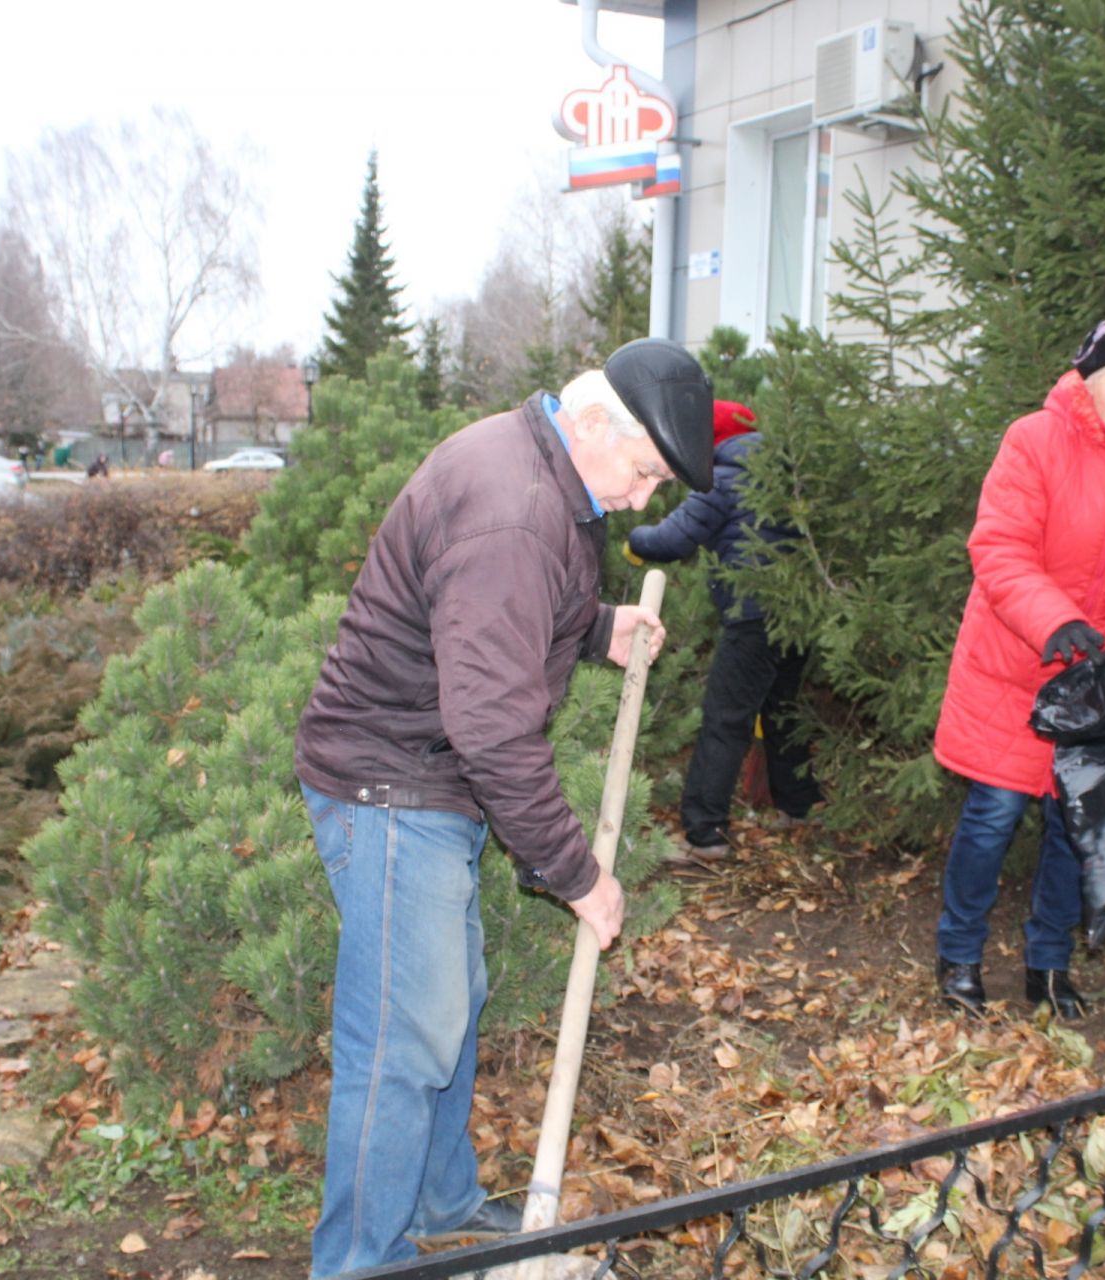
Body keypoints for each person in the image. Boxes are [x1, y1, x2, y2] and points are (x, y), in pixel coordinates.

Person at [292, 338, 713, 1276]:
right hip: (392, 778)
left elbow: (506, 608)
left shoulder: (542, 467)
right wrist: (578, 876)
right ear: (598, 422)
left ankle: (442, 1203)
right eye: (645, 472)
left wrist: (601, 627)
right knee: (406, 1034)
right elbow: (489, 729)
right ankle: (360, 1260)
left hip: (424, 771)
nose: (644, 499)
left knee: (450, 1004)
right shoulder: (518, 512)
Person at [932, 316, 1105, 1020]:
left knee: (1073, 823)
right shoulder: (1034, 439)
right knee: (994, 814)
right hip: (1014, 656)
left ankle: (1048, 963)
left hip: (1101, 675)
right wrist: (1052, 619)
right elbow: (999, 546)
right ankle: (959, 953)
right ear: (1089, 381)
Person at [625, 398, 821, 859]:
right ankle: (799, 805)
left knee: (725, 721)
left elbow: (673, 539)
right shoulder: (788, 474)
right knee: (783, 710)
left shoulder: (723, 477)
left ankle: (704, 832)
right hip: (798, 615)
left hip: (752, 618)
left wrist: (635, 542)